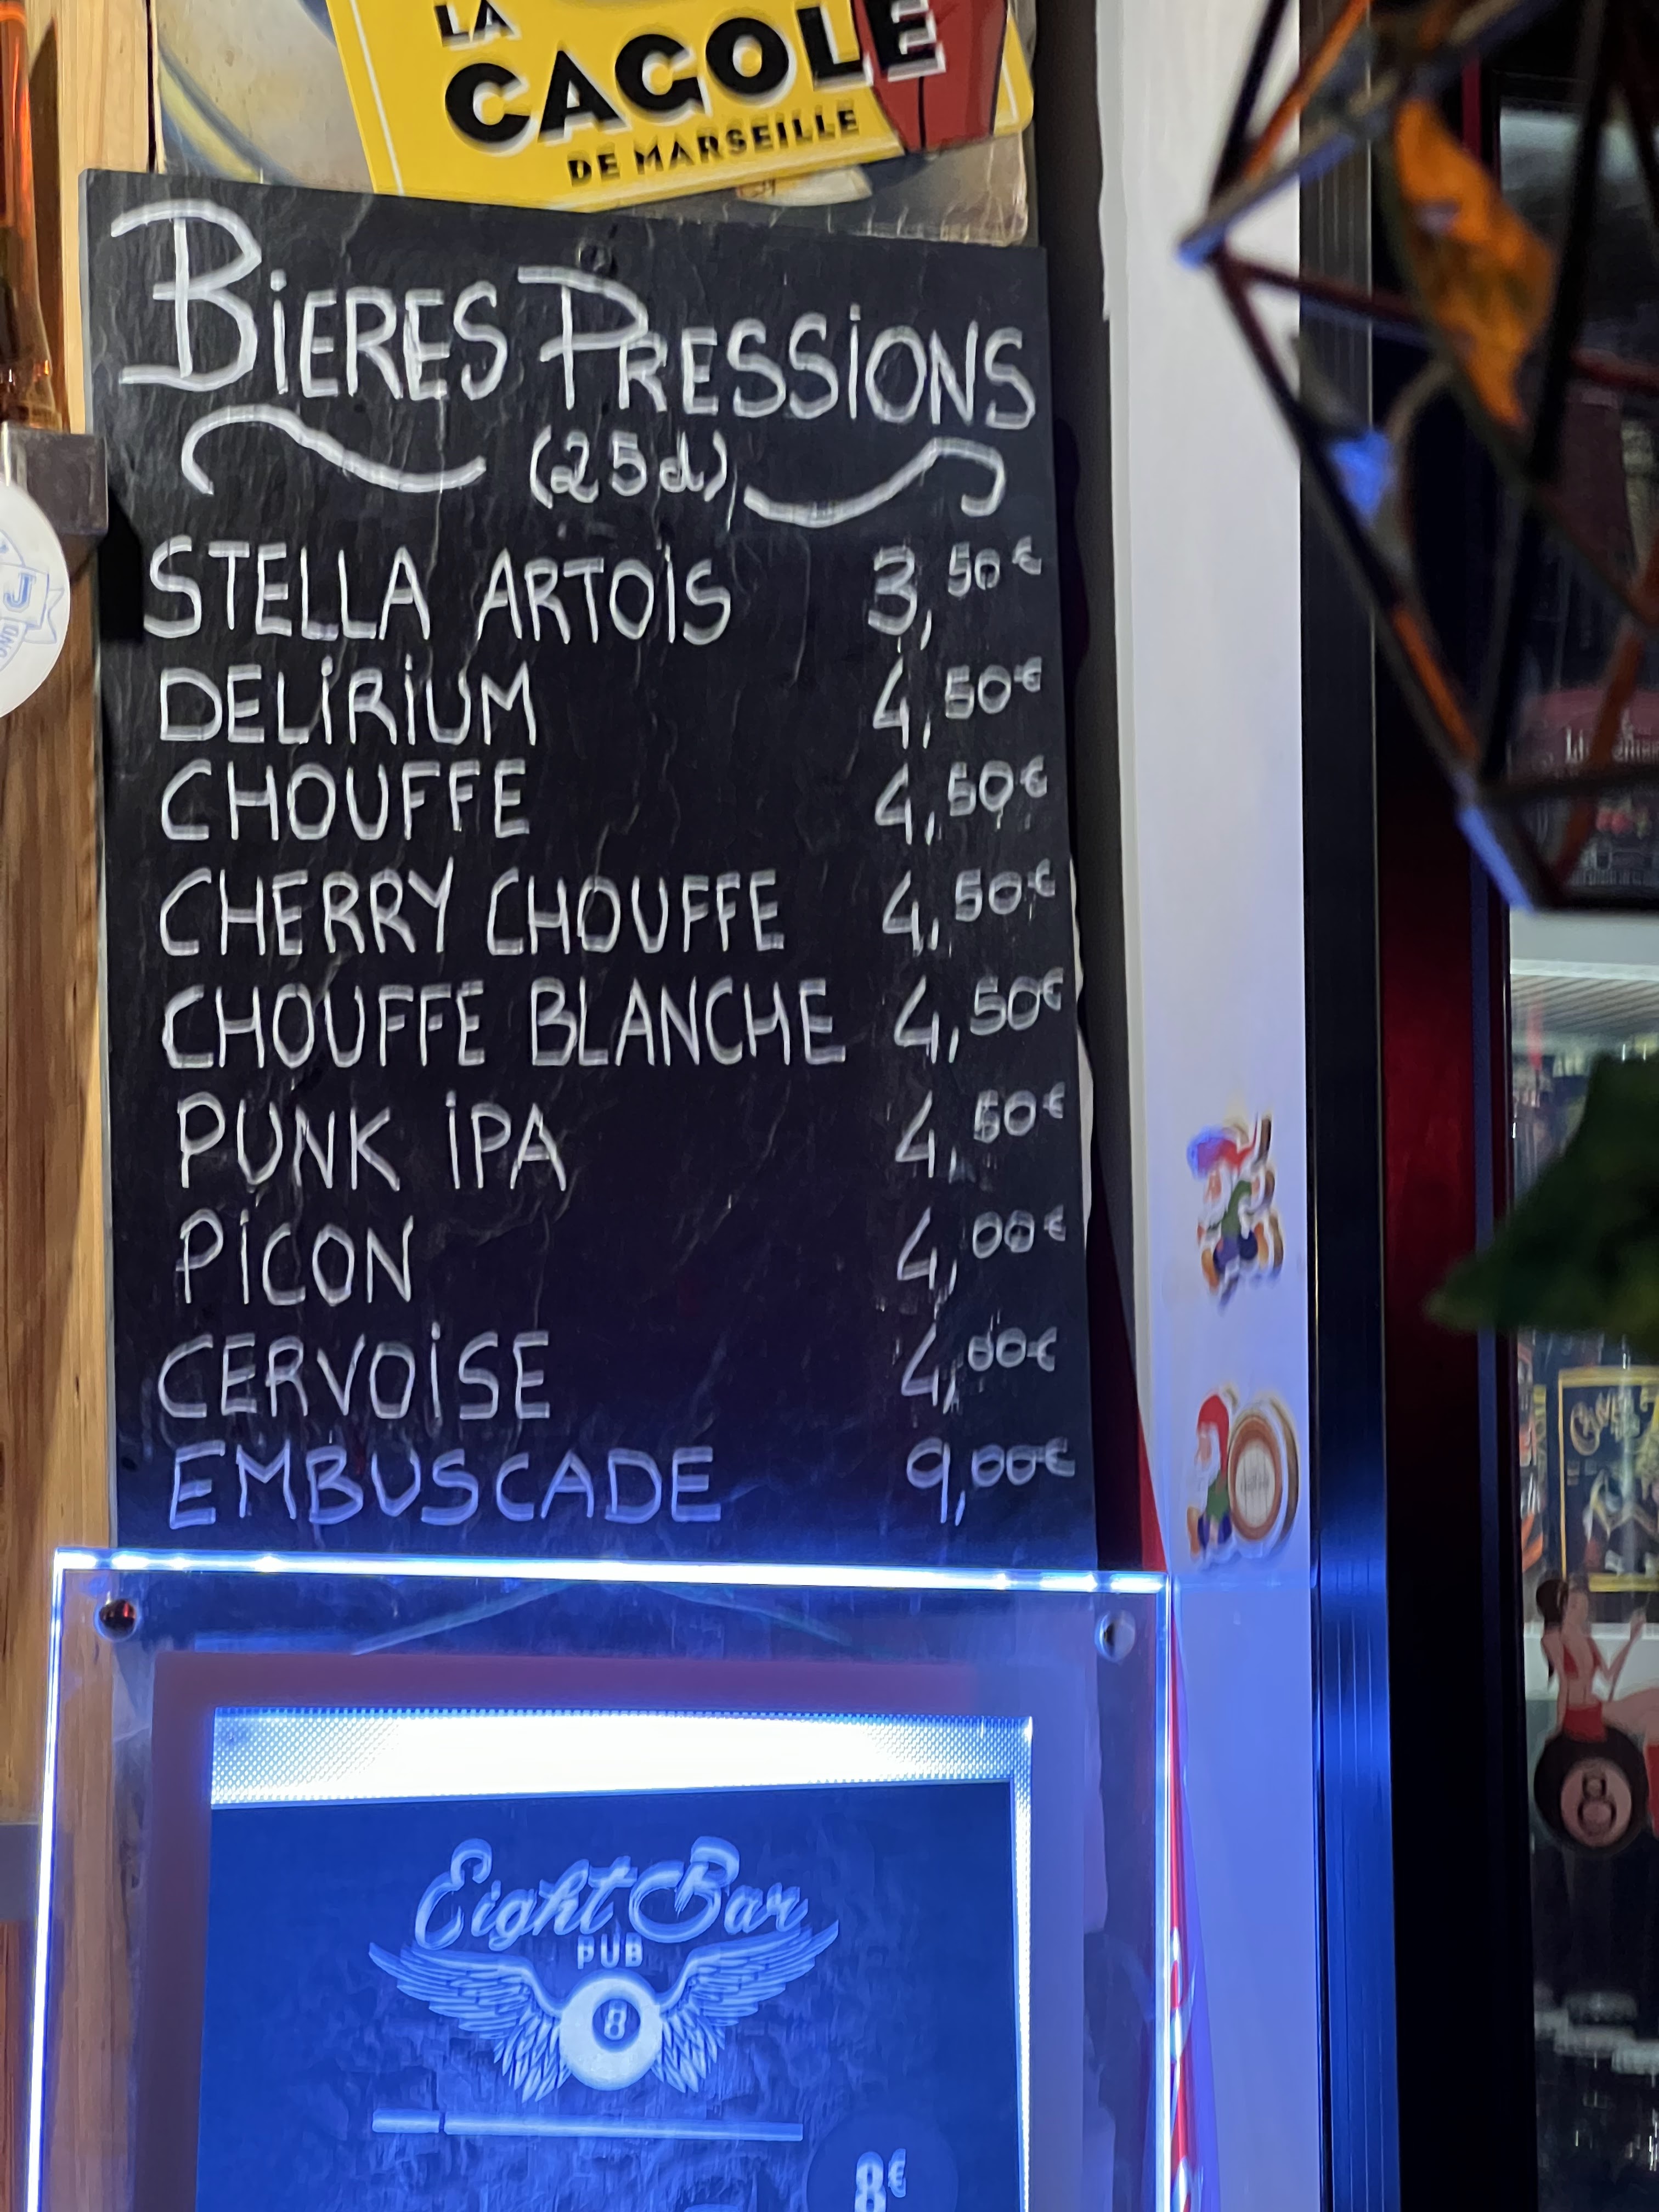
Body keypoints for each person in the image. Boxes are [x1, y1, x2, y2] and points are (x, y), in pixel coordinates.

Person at [1534, 1577, 1658, 1853]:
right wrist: (1560, 1730)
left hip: (1597, 1708)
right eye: (1574, 1603)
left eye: (1582, 1603)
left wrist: (1631, 1639)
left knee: (1655, 1716)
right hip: (1578, 1717)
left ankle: (1655, 1806)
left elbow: (1610, 1676)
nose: (1581, 1607)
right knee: (1655, 1704)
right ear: (1561, 1606)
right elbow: (1564, 1687)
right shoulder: (1554, 1638)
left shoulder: (1586, 1639)